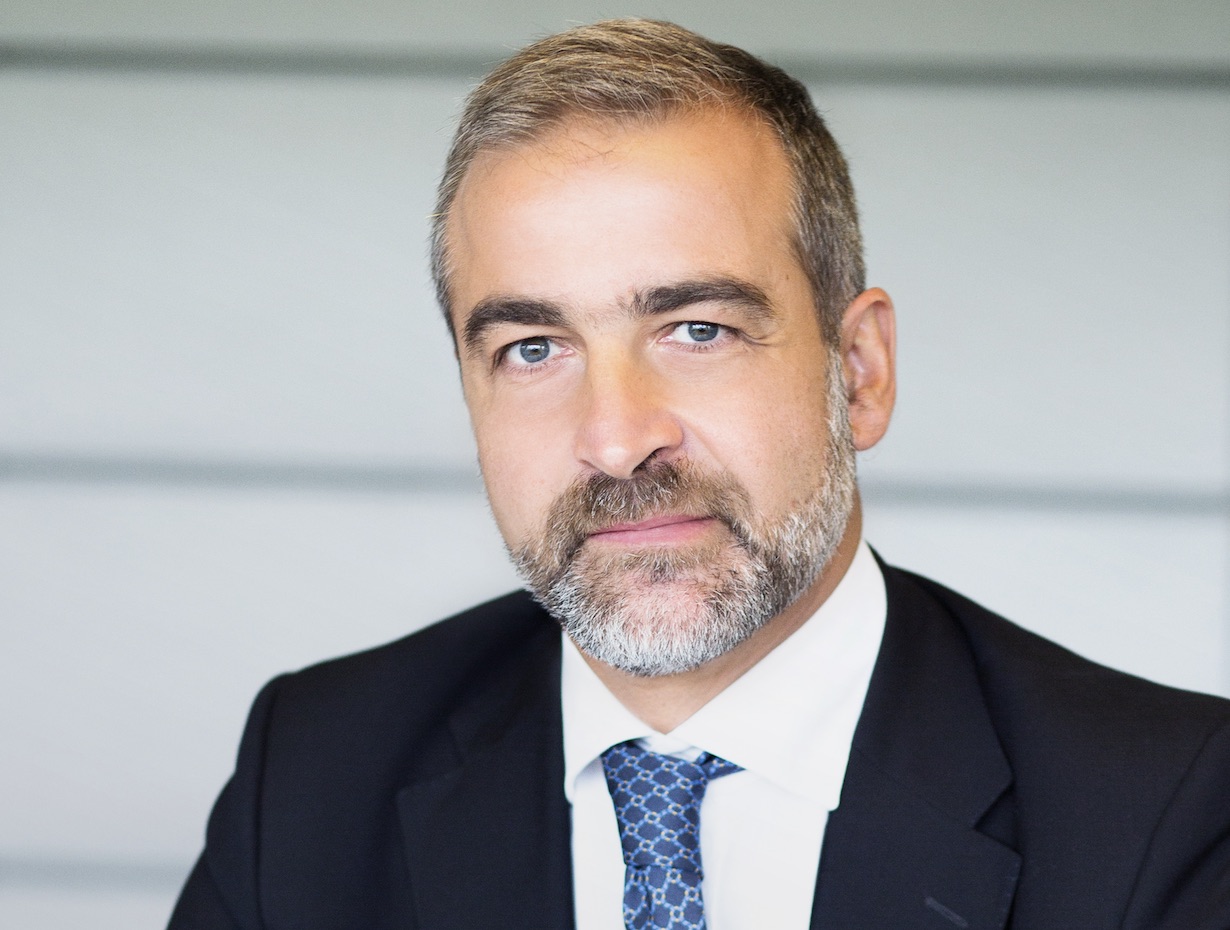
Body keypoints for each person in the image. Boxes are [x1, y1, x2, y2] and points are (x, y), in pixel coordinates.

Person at [168, 19, 1230, 930]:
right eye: (533, 349)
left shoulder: (1167, 810)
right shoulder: (311, 775)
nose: (616, 440)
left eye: (698, 329)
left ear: (859, 372)